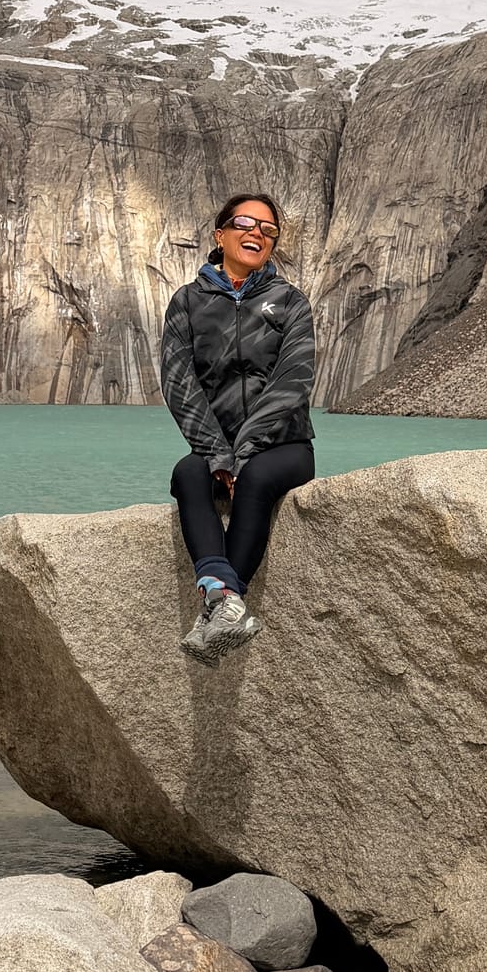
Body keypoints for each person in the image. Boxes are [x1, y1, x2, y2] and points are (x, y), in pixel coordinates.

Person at [160, 190, 316, 661]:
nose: (257, 234)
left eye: (268, 230)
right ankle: (224, 601)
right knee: (188, 474)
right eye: (246, 224)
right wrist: (217, 453)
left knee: (257, 477)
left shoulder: (290, 302)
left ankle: (221, 601)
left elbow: (293, 381)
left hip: (284, 444)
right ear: (220, 235)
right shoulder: (187, 303)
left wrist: (243, 453)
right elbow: (179, 383)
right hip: (217, 445)